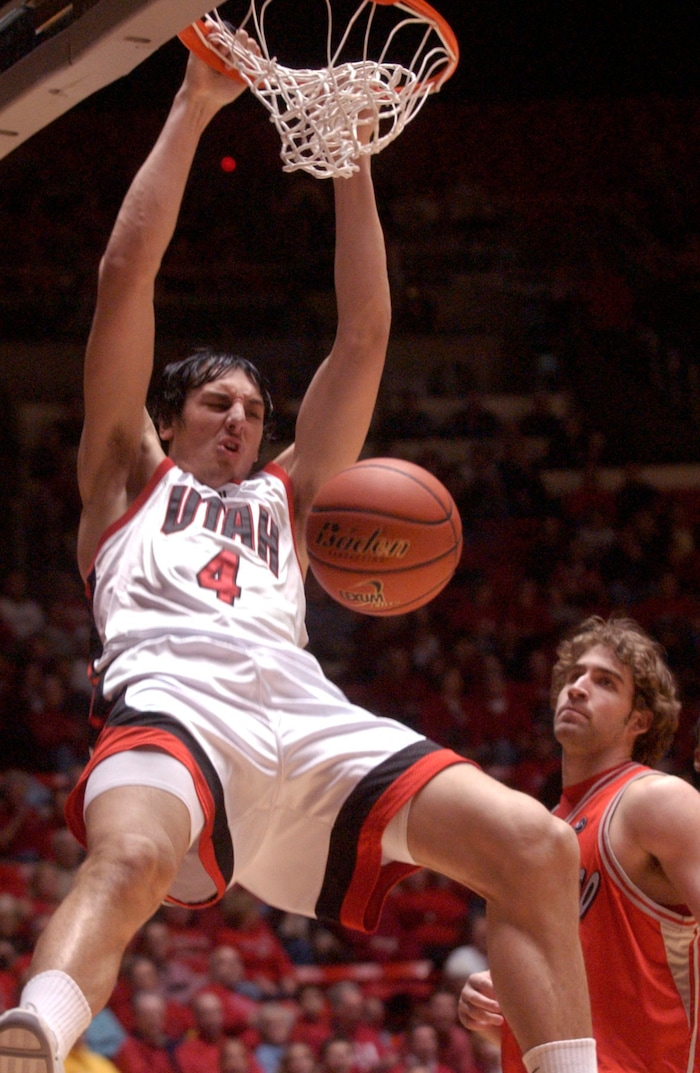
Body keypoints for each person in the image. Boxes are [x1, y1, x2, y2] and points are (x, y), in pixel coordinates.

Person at [0, 40, 595, 1073]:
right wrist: (192, 105)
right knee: (133, 854)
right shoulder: (125, 474)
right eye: (216, 402)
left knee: (536, 844)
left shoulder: (290, 493)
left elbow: (363, 333)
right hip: (172, 704)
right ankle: (31, 1038)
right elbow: (122, 274)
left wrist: (349, 157)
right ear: (169, 417)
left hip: (308, 718)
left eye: (255, 408)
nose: (241, 417)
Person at [459, 615, 700, 1072]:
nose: (577, 688)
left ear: (640, 720)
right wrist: (501, 1013)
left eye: (605, 682)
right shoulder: (544, 831)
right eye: (574, 676)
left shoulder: (655, 801)